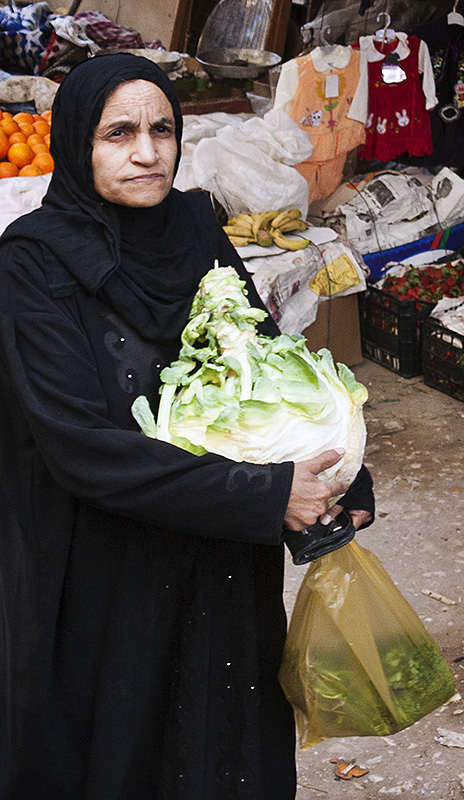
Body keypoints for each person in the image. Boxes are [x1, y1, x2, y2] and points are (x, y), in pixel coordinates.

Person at [0, 54, 374, 800]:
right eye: (119, 133)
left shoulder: (197, 227)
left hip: (219, 565)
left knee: (222, 745)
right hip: (106, 573)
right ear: (79, 143)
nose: (147, 152)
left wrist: (336, 473)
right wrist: (266, 498)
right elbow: (81, 450)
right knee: (122, 751)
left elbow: (267, 359)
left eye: (162, 129)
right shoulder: (31, 266)